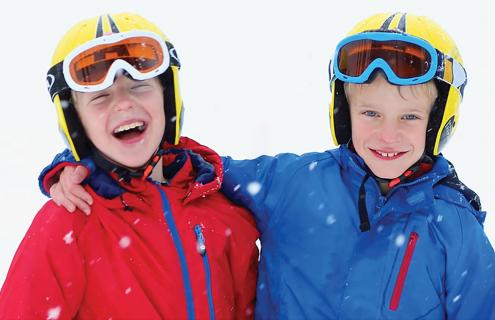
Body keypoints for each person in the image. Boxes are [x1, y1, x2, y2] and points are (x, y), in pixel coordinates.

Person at [33, 12, 495, 319]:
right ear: (342, 112)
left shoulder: (453, 227)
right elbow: (187, 167)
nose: (387, 134)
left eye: (409, 118)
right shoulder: (291, 183)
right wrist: (83, 164)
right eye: (370, 113)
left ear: (439, 120)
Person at [0, 12, 259, 319]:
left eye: (139, 87)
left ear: (167, 99)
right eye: (100, 97)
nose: (123, 102)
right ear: (77, 124)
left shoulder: (219, 209)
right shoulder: (68, 221)